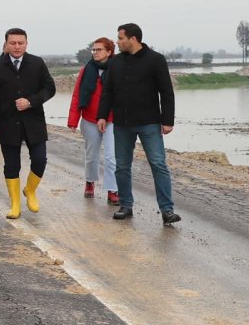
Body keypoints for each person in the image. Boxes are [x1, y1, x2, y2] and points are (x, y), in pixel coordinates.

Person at [98, 23, 181, 224]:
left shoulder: (156, 60)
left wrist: (167, 121)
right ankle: (126, 205)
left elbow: (166, 92)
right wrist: (102, 115)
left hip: (149, 122)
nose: (117, 42)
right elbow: (108, 91)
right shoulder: (115, 62)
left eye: (120, 38)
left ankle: (167, 210)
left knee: (158, 164)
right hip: (122, 123)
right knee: (122, 166)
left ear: (133, 39)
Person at [0, 27, 55, 219]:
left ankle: (30, 191)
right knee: (11, 164)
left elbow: (50, 88)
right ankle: (15, 204)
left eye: (20, 43)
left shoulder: (37, 63)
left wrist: (31, 101)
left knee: (40, 159)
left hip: (34, 121)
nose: (17, 47)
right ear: (6, 44)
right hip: (7, 122)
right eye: (13, 43)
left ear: (26, 43)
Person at [67, 38, 119, 206]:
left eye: (99, 50)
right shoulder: (86, 70)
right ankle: (90, 181)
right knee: (92, 156)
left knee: (112, 157)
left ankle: (112, 189)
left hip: (113, 119)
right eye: (94, 50)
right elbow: (77, 94)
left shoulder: (118, 68)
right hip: (90, 118)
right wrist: (73, 120)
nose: (95, 52)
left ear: (109, 52)